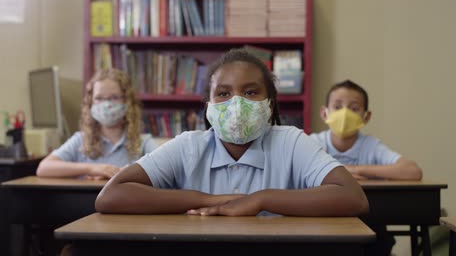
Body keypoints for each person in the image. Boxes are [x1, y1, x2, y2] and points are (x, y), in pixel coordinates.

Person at [95, 49, 368, 217]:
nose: (236, 103)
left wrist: (260, 200)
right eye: (223, 93)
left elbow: (353, 198)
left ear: (269, 103)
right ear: (208, 106)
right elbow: (110, 196)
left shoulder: (291, 142)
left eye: (250, 92)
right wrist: (212, 200)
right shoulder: (189, 145)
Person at [36, 69, 157, 180]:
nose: (106, 104)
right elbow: (44, 168)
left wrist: (122, 174)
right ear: (90, 102)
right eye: (99, 98)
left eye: (114, 97)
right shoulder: (81, 140)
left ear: (127, 101)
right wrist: (93, 169)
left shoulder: (143, 142)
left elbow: (169, 170)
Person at [311, 79, 422, 180]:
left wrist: (355, 169)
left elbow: (413, 171)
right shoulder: (314, 143)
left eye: (354, 108)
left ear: (366, 117)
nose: (345, 114)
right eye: (337, 107)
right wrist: (340, 172)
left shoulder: (371, 146)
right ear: (324, 113)